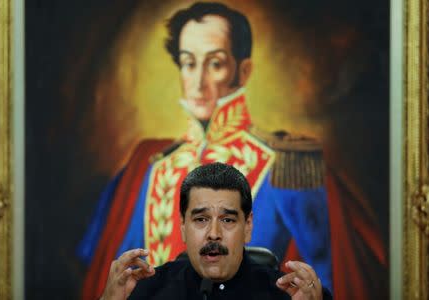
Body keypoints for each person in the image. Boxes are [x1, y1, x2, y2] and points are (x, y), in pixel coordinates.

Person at [78, 3, 331, 299]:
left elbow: (321, 278)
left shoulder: (286, 167)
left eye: (215, 64)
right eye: (189, 63)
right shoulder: (151, 167)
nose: (198, 83)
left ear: (243, 70)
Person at [100, 163, 331, 300]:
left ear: (247, 226)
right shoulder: (146, 291)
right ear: (183, 226)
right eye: (200, 219)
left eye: (228, 219)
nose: (213, 233)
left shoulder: (290, 295)